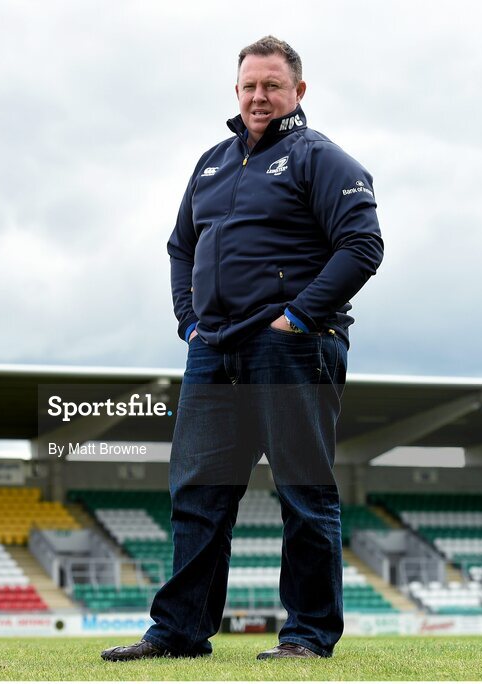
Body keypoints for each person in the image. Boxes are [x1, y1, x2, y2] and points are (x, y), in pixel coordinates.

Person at [101, 36, 383, 661]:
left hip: (290, 347)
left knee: (303, 491)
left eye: (272, 85)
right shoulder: (211, 163)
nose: (259, 96)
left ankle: (307, 637)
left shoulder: (322, 159)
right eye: (249, 85)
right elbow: (179, 247)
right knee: (197, 492)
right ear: (236, 91)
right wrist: (188, 322)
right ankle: (179, 632)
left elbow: (363, 246)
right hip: (214, 349)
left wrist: (298, 318)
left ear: (298, 92)